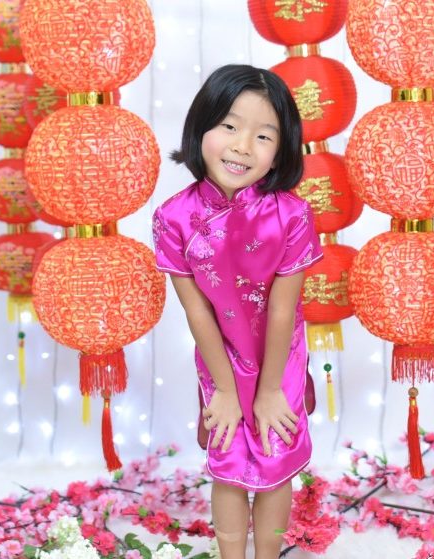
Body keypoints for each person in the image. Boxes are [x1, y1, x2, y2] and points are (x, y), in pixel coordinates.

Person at [152, 64, 322, 559]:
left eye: (263, 135)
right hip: (220, 355)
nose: (242, 145)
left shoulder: (292, 216)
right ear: (201, 126)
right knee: (227, 458)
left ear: (281, 151)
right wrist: (225, 389)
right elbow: (196, 312)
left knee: (273, 455)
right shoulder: (173, 217)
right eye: (229, 125)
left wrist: (271, 390)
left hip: (278, 356)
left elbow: (282, 311)